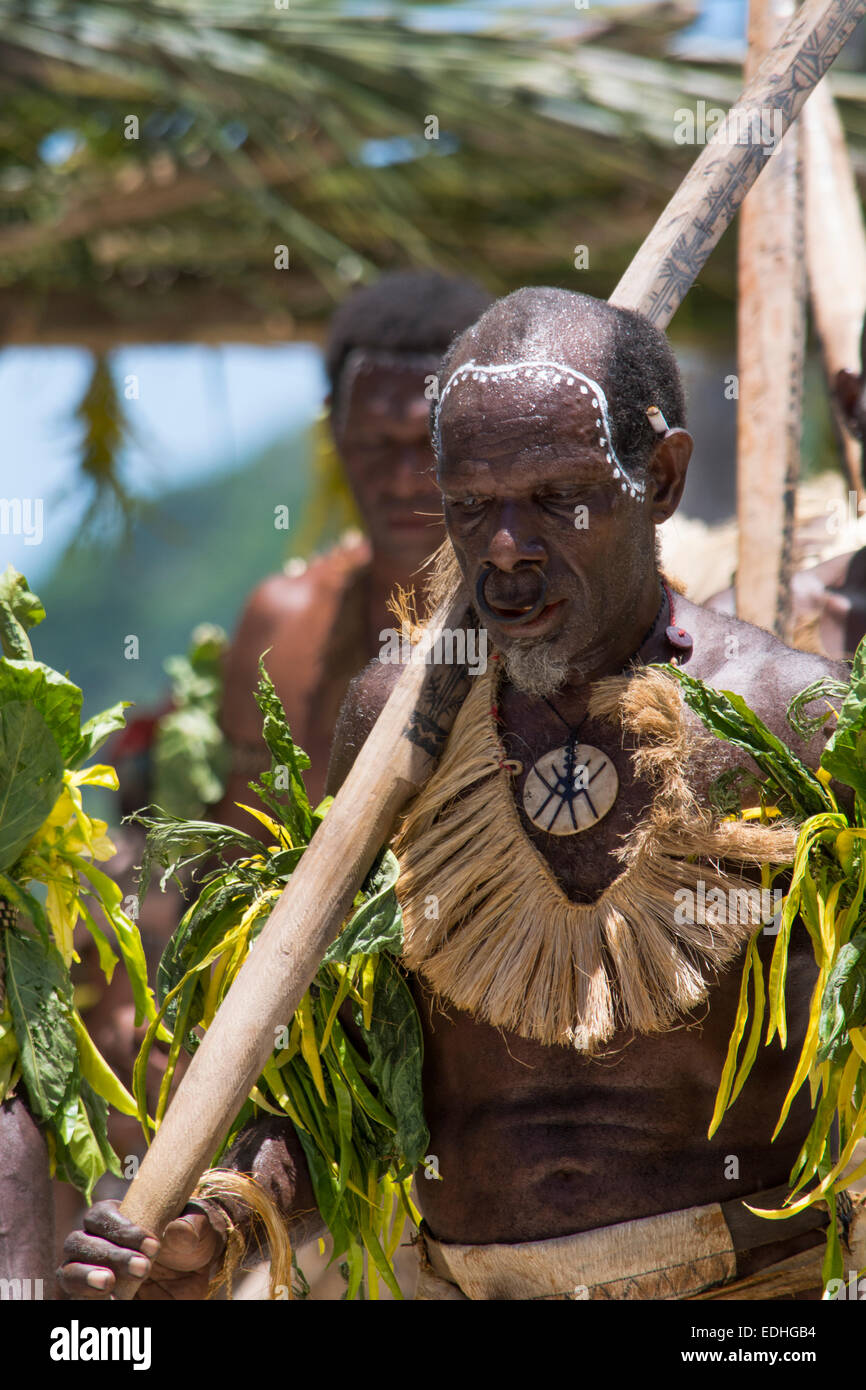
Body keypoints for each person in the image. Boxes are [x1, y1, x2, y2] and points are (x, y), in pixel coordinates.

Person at [59, 287, 854, 1302]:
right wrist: (215, 1226)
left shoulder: (787, 722)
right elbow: (343, 1080)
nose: (506, 547)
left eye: (555, 497)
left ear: (658, 479)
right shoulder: (398, 725)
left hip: (743, 1294)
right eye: (470, 505)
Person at [216, 270, 492, 816]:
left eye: (427, 443)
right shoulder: (283, 622)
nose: (400, 478)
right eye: (374, 443)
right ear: (335, 436)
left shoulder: (550, 621)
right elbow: (240, 849)